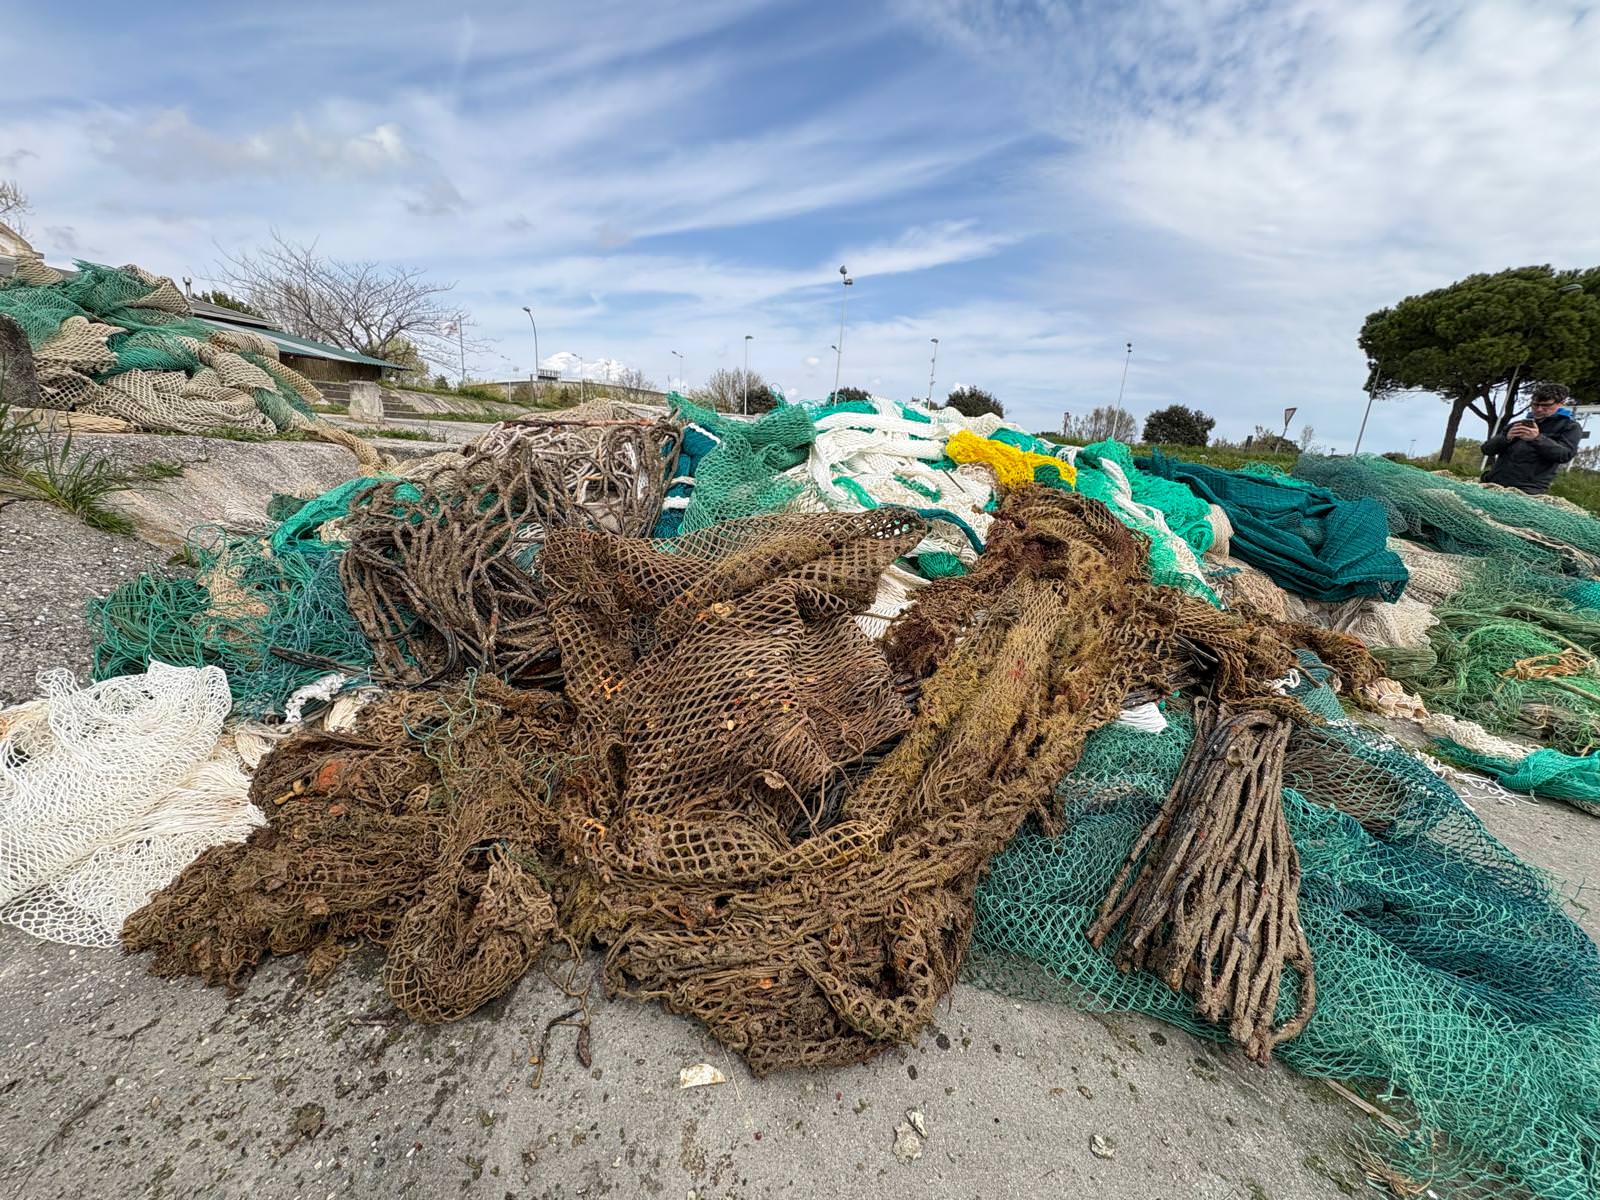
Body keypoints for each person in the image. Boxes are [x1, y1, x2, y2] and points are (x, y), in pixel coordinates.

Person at [1480, 383, 1583, 494]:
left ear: (1561, 403)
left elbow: (1565, 455)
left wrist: (1536, 439)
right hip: (1493, 484)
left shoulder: (1570, 427)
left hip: (1527, 490)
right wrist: (1506, 437)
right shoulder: (1517, 424)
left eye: (1545, 405)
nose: (1539, 409)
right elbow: (1486, 449)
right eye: (1535, 405)